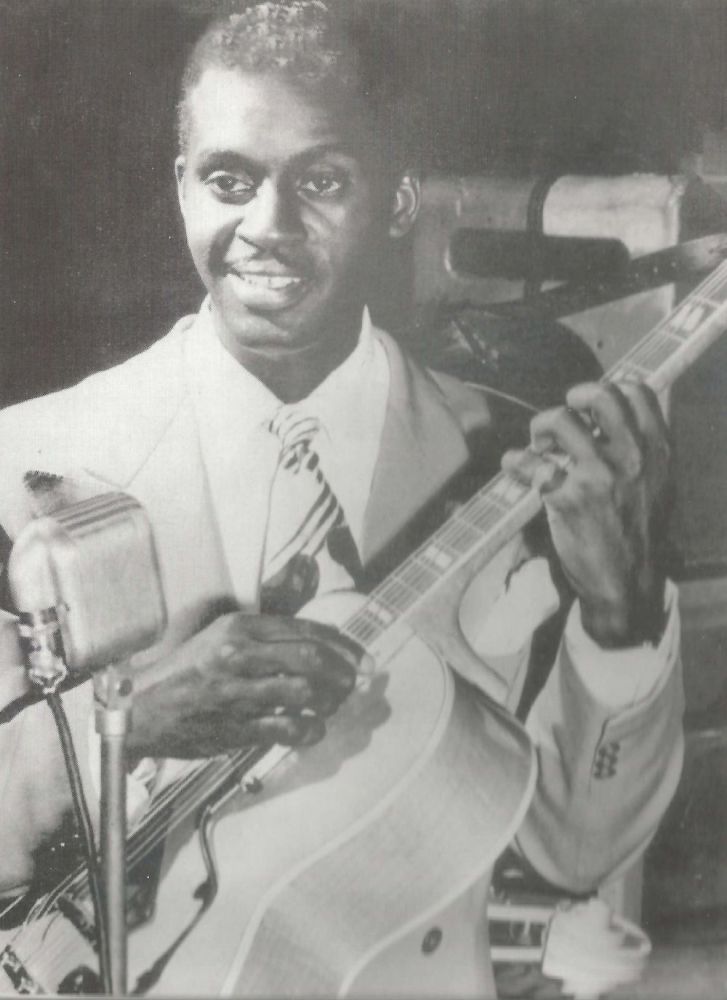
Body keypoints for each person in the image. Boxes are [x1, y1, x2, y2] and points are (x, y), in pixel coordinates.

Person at [0, 1, 683, 995]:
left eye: (320, 181)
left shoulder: (512, 461)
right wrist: (130, 723)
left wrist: (622, 616)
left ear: (398, 201)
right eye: (229, 180)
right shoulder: (29, 464)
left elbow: (577, 852)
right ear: (181, 187)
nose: (267, 227)